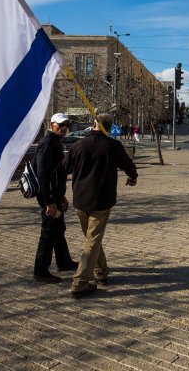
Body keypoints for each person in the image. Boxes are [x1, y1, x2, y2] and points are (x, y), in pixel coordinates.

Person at [63, 113, 138, 299]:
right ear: (109, 127)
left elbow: (63, 169)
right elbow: (128, 165)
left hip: (81, 200)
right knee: (93, 241)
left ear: (94, 124)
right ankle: (80, 283)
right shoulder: (113, 146)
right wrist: (133, 177)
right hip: (101, 201)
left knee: (92, 240)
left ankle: (101, 273)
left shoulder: (78, 146)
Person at [33, 113, 78, 284]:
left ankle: (64, 262)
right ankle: (40, 270)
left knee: (58, 229)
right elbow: (43, 175)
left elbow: (55, 174)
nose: (64, 128)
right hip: (48, 198)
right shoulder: (48, 143)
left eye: (67, 125)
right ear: (51, 125)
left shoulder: (56, 142)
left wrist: (61, 197)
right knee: (48, 233)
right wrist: (49, 202)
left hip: (55, 196)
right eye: (60, 124)